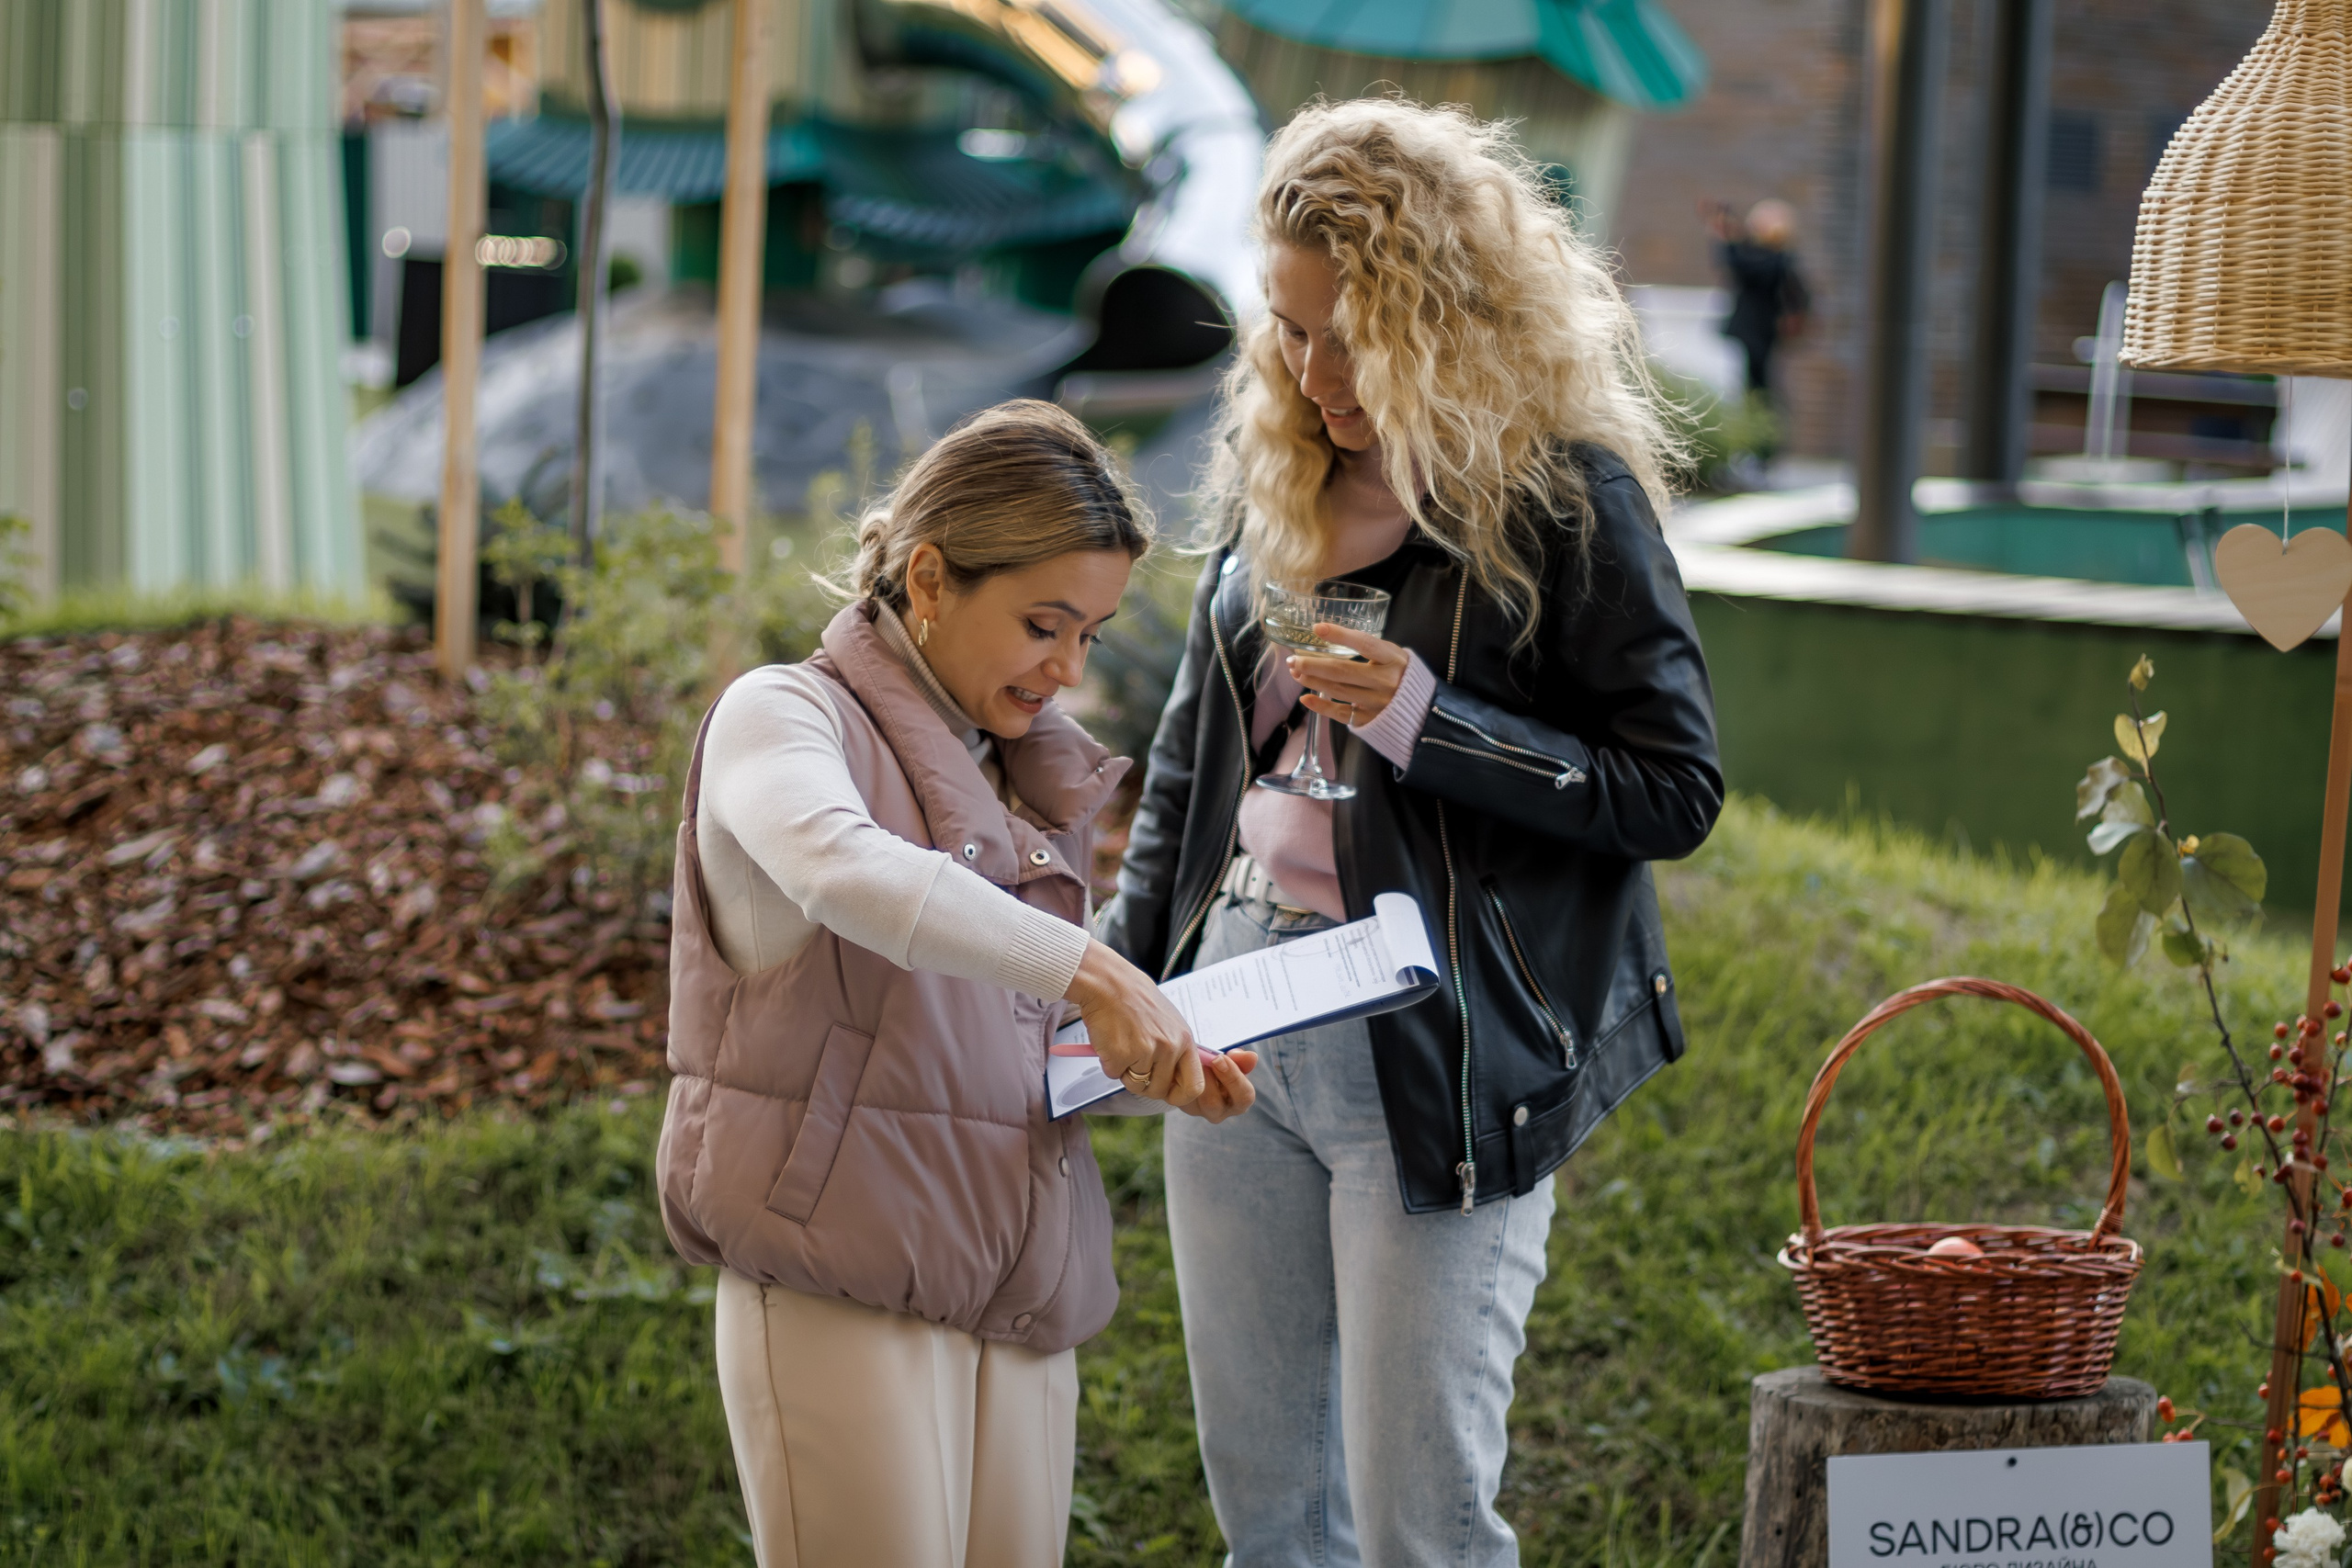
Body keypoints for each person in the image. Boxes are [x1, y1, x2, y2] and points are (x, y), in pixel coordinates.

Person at [1100, 100, 1723, 1566]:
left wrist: (1433, 724)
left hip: (1437, 1035)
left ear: (1443, 317)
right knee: (1269, 1516)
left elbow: (1673, 789)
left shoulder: (1566, 498)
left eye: (1352, 336)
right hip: (1239, 1015)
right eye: (1289, 330)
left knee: (1417, 1524)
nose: (1313, 374)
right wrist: (1116, 998)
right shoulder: (1282, 482)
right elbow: (1187, 788)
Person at [656, 400, 1258, 1568]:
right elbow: (840, 866)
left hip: (1018, 1286)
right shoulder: (781, 715)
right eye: (1045, 623)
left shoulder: (1012, 778)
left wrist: (1155, 1061)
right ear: (928, 577)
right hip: (842, 1277)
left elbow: (987, 1050)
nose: (1071, 669)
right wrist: (1098, 973)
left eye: (1092, 633)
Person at [1708, 197, 1812, 433]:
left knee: (1756, 388)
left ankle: (1760, 439)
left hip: (1758, 333)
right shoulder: (1772, 258)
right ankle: (1757, 437)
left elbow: (1740, 265)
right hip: (1755, 332)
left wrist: (1725, 239)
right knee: (1751, 387)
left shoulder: (1774, 261)